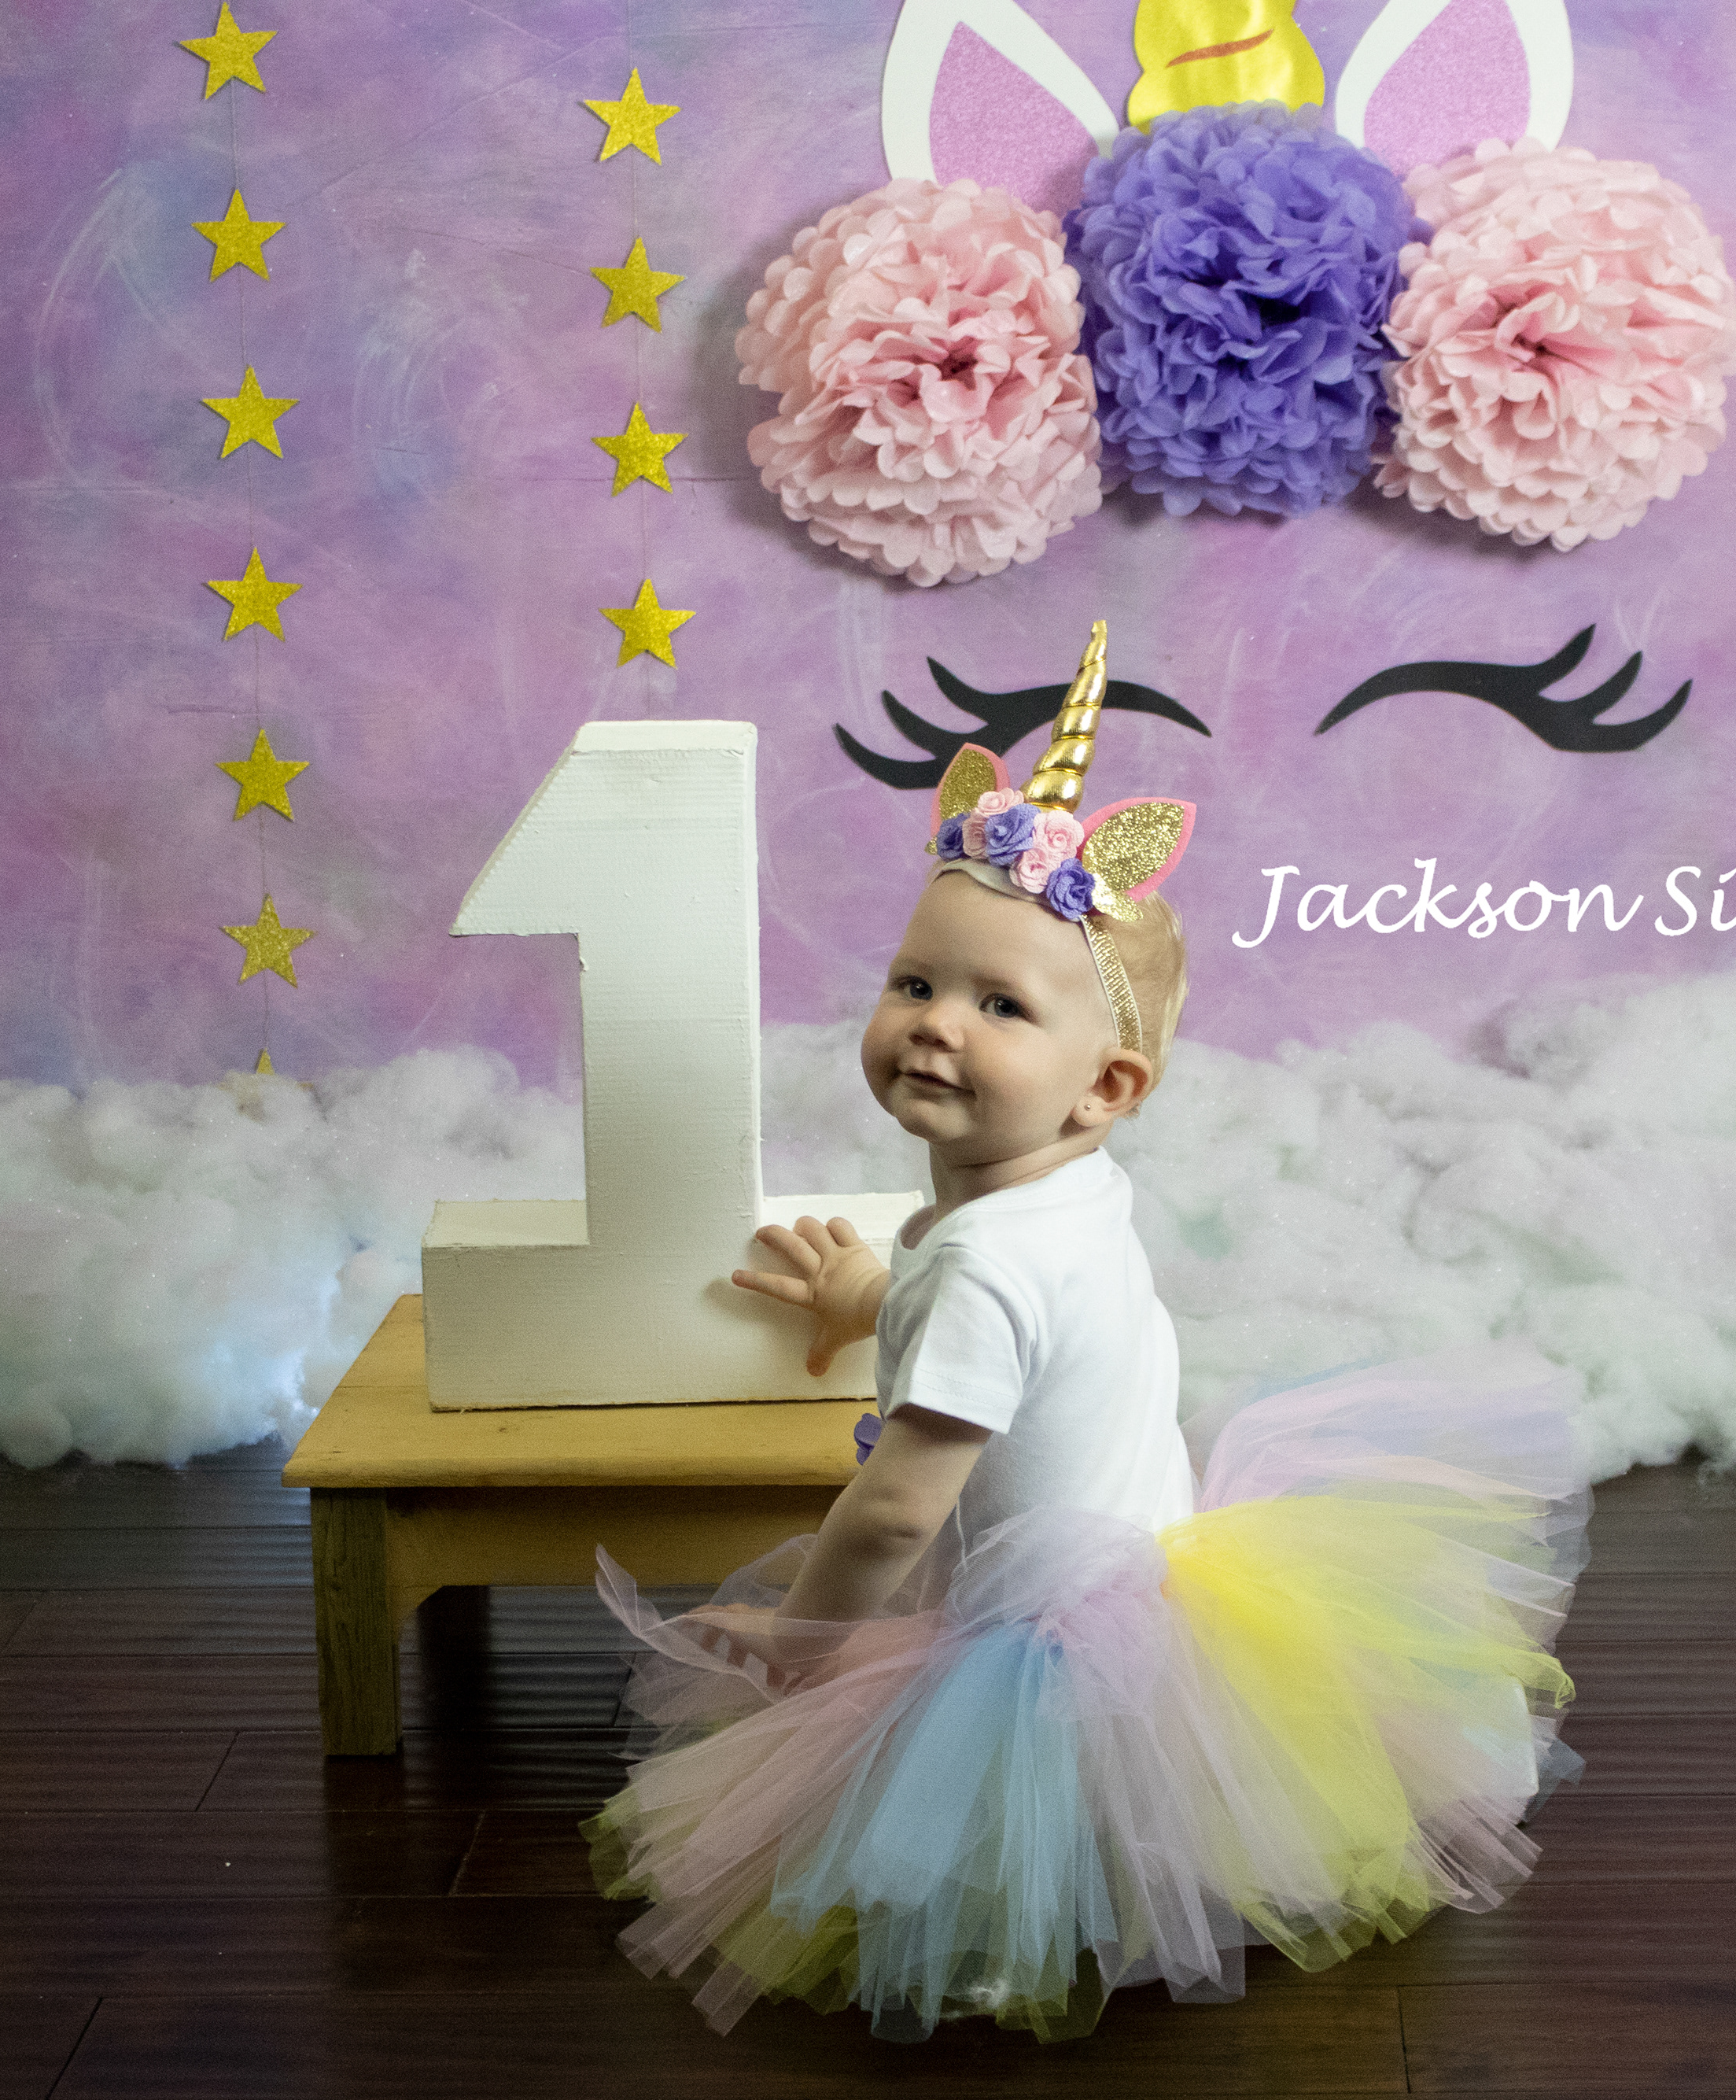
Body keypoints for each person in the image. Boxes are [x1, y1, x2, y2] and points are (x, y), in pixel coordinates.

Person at [588, 623, 1588, 2043]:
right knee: (1135, 1765)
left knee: (1026, 1792)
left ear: (1103, 1084)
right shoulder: (1055, 1195)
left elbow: (898, 1507)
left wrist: (807, 1634)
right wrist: (874, 1299)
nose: (935, 1024)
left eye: (999, 1005)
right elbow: (1007, 1321)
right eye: (916, 982)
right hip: (1149, 1559)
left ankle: (1035, 1929)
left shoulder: (987, 1263)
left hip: (1045, 1620)